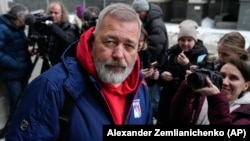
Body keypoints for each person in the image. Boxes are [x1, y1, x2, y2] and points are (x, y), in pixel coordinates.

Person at [5, 3, 153, 140]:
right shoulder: (50, 88)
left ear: (138, 48)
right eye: (110, 42)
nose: (119, 54)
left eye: (129, 45)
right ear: (93, 40)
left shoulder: (140, 87)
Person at [169, 31, 250, 125]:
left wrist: (216, 99)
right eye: (221, 76)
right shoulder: (213, 69)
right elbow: (177, 119)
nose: (225, 82)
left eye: (233, 78)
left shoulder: (245, 111)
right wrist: (188, 85)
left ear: (246, 85)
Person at [156, 19, 208, 125]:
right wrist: (162, 75)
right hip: (166, 100)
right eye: (182, 40)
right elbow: (160, 69)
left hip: (186, 101)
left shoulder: (201, 54)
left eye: (189, 40)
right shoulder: (171, 53)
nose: (185, 43)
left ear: (195, 40)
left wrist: (187, 65)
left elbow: (201, 78)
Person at [0, 4, 32, 116]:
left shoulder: (18, 27)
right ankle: (14, 128)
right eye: (26, 16)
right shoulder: (2, 28)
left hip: (22, 72)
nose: (28, 19)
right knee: (17, 103)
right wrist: (16, 63)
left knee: (23, 100)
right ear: (18, 17)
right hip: (12, 75)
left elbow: (15, 47)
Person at [31, 1, 79, 72]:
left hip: (62, 66)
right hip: (48, 62)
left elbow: (69, 41)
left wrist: (52, 27)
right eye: (50, 13)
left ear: (62, 14)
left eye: (56, 13)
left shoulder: (69, 27)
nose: (53, 15)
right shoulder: (48, 26)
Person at [132, 0, 169, 70]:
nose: (137, 15)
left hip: (155, 62)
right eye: (135, 12)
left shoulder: (155, 24)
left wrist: (147, 61)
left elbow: (155, 46)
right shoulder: (148, 20)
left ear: (145, 10)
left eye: (139, 12)